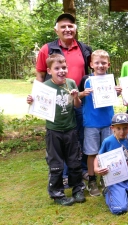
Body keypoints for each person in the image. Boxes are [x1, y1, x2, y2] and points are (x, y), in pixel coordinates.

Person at [35, 13, 92, 184]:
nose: (67, 29)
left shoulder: (85, 49)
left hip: (79, 101)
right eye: (63, 26)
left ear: (75, 28)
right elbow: (40, 75)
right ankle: (63, 174)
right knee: (59, 138)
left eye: (70, 26)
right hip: (56, 103)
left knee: (79, 137)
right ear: (56, 30)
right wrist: (38, 100)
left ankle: (80, 170)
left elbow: (91, 74)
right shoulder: (47, 49)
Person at [27, 54, 85, 206]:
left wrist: (76, 97)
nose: (61, 71)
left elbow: (77, 106)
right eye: (57, 68)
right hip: (54, 131)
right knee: (56, 163)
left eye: (64, 68)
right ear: (49, 70)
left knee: (74, 161)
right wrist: (31, 100)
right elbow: (36, 103)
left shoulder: (71, 83)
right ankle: (57, 194)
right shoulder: (45, 87)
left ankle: (77, 189)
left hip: (71, 130)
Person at [78, 50, 121, 196]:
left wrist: (118, 92)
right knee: (92, 153)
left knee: (107, 152)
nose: (100, 65)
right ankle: (91, 179)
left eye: (103, 63)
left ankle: (106, 177)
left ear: (108, 64)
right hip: (91, 123)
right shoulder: (86, 80)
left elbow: (113, 97)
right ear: (91, 64)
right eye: (97, 62)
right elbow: (77, 100)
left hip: (108, 122)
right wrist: (82, 94)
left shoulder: (110, 79)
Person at [94, 113, 128, 215]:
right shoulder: (108, 141)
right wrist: (96, 169)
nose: (122, 131)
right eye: (118, 128)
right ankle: (110, 192)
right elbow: (98, 157)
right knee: (120, 209)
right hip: (115, 180)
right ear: (112, 128)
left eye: (125, 128)